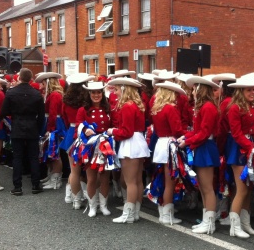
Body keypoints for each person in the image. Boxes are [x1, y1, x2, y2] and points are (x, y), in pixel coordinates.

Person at [178, 75, 221, 234]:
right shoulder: (203, 106)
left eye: (196, 88)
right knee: (203, 187)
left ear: (202, 89)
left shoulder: (208, 107)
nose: (193, 91)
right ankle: (206, 220)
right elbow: (198, 132)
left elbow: (204, 133)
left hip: (206, 147)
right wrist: (186, 137)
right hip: (202, 147)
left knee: (207, 187)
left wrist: (188, 142)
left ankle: (209, 223)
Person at [106, 77, 150, 224]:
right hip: (138, 142)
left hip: (131, 143)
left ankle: (129, 214)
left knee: (130, 181)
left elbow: (126, 132)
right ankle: (135, 212)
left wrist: (112, 131)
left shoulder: (127, 106)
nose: (115, 93)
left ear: (125, 89)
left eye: (117, 89)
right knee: (137, 180)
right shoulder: (136, 105)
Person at [225, 73, 254, 237]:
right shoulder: (234, 108)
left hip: (251, 148)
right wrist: (250, 147)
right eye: (249, 90)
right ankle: (234, 227)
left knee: (248, 188)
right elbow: (236, 133)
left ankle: (245, 223)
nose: (252, 93)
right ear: (241, 91)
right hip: (238, 148)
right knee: (241, 189)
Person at [0, 68, 45, 195]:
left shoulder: (11, 93)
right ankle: (36, 185)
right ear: (31, 79)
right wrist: (39, 128)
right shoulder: (36, 94)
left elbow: (3, 112)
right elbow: (41, 115)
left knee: (17, 157)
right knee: (33, 157)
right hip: (32, 125)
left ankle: (17, 187)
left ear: (19, 78)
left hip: (17, 124)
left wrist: (14, 113)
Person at [151, 81, 186, 224]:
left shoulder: (157, 108)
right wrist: (188, 134)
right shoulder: (170, 109)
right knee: (170, 182)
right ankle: (167, 214)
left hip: (161, 143)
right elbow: (177, 130)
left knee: (164, 179)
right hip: (169, 144)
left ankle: (163, 211)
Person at [77, 81, 112, 217]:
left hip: (105, 146)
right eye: (93, 92)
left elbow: (114, 123)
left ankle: (103, 205)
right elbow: (79, 124)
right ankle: (92, 206)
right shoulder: (83, 110)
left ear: (102, 94)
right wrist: (85, 130)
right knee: (91, 178)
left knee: (104, 177)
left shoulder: (108, 108)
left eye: (99, 92)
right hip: (90, 147)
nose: (96, 95)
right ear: (89, 94)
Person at [61, 73, 94, 209]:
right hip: (87, 133)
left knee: (74, 170)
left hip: (72, 132)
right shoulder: (87, 102)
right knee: (87, 169)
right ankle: (88, 196)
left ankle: (76, 199)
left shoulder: (66, 100)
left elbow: (64, 117)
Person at [35, 72, 65, 190]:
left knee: (54, 152)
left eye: (42, 82)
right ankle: (52, 175)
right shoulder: (52, 94)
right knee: (49, 151)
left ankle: (56, 180)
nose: (40, 85)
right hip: (50, 122)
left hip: (53, 124)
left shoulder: (54, 95)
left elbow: (53, 113)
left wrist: (50, 129)